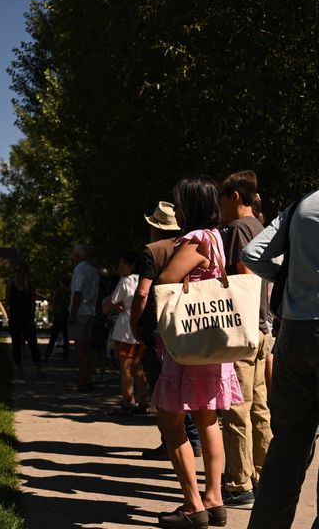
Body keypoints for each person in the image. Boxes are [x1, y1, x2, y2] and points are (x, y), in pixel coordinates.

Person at [241, 148, 319, 529]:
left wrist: (290, 279)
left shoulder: (302, 205)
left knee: (287, 443)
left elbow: (253, 252)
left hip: (293, 331)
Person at [151, 178, 243, 529]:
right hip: (211, 342)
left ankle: (193, 505)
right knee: (208, 420)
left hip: (189, 343)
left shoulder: (195, 238)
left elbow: (167, 280)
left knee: (170, 422)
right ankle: (214, 499)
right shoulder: (217, 237)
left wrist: (172, 271)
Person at [216, 170, 271, 509]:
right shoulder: (262, 228)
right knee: (261, 408)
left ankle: (239, 484)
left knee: (237, 409)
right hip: (265, 328)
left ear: (235, 196)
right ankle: (266, 475)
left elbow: (245, 278)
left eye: (222, 200)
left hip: (245, 330)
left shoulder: (237, 230)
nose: (220, 208)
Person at [131, 202, 201, 460]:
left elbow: (142, 292)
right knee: (187, 383)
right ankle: (192, 438)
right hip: (187, 323)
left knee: (162, 384)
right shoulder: (191, 245)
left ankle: (172, 439)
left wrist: (134, 321)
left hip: (158, 325)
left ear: (155, 228)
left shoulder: (152, 251)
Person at [103, 251, 145, 415]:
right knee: (138, 367)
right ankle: (143, 401)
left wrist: (115, 305)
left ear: (130, 265)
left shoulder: (125, 281)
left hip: (125, 329)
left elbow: (112, 301)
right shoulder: (143, 280)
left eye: (123, 262)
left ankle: (128, 402)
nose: (120, 266)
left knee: (126, 368)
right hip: (140, 329)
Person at [68, 244, 100, 391]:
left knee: (80, 348)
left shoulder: (79, 270)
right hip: (91, 311)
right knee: (88, 348)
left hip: (80, 311)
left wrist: (73, 313)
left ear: (78, 256)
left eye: (73, 254)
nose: (71, 256)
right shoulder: (94, 270)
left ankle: (83, 379)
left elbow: (78, 292)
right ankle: (88, 377)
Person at [6, 262, 43, 375]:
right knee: (16, 343)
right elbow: (7, 301)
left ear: (24, 272)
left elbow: (32, 302)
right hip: (15, 317)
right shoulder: (10, 284)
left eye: (20, 271)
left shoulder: (30, 285)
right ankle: (18, 366)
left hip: (27, 317)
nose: (18, 273)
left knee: (33, 343)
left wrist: (32, 315)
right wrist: (10, 316)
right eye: (15, 271)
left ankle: (38, 367)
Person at [45, 275, 72, 361]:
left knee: (54, 336)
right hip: (66, 315)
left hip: (58, 315)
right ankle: (65, 355)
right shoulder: (70, 292)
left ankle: (47, 354)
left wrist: (53, 313)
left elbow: (54, 303)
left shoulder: (58, 291)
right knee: (66, 336)